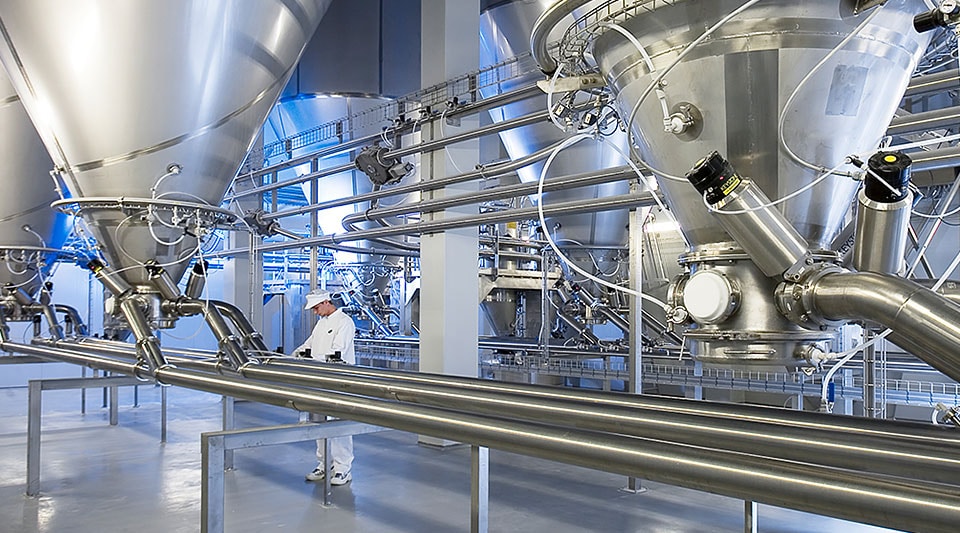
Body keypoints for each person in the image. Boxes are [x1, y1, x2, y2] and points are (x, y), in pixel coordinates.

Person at [292, 289, 356, 485]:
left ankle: (343, 468)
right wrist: (295, 354)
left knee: (339, 423)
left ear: (327, 302)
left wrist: (313, 359)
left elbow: (337, 351)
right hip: (319, 379)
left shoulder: (344, 322)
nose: (315, 312)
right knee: (318, 421)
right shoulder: (321, 324)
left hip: (339, 379)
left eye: (316, 308)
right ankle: (324, 463)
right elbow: (309, 344)